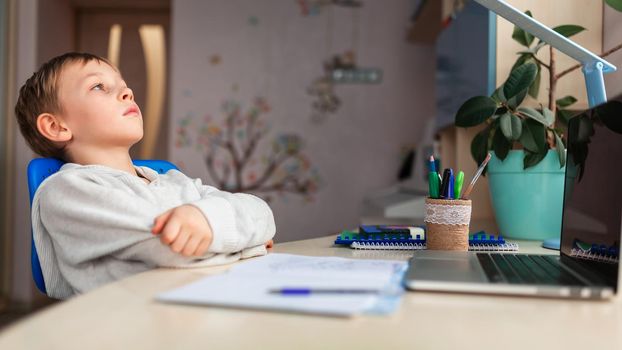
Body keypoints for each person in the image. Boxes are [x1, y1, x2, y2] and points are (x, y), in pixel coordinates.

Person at [15, 52, 276, 299]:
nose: (128, 92)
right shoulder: (66, 190)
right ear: (56, 126)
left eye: (124, 85)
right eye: (98, 87)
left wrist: (208, 223)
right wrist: (249, 245)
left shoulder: (174, 180)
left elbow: (262, 213)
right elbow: (174, 254)